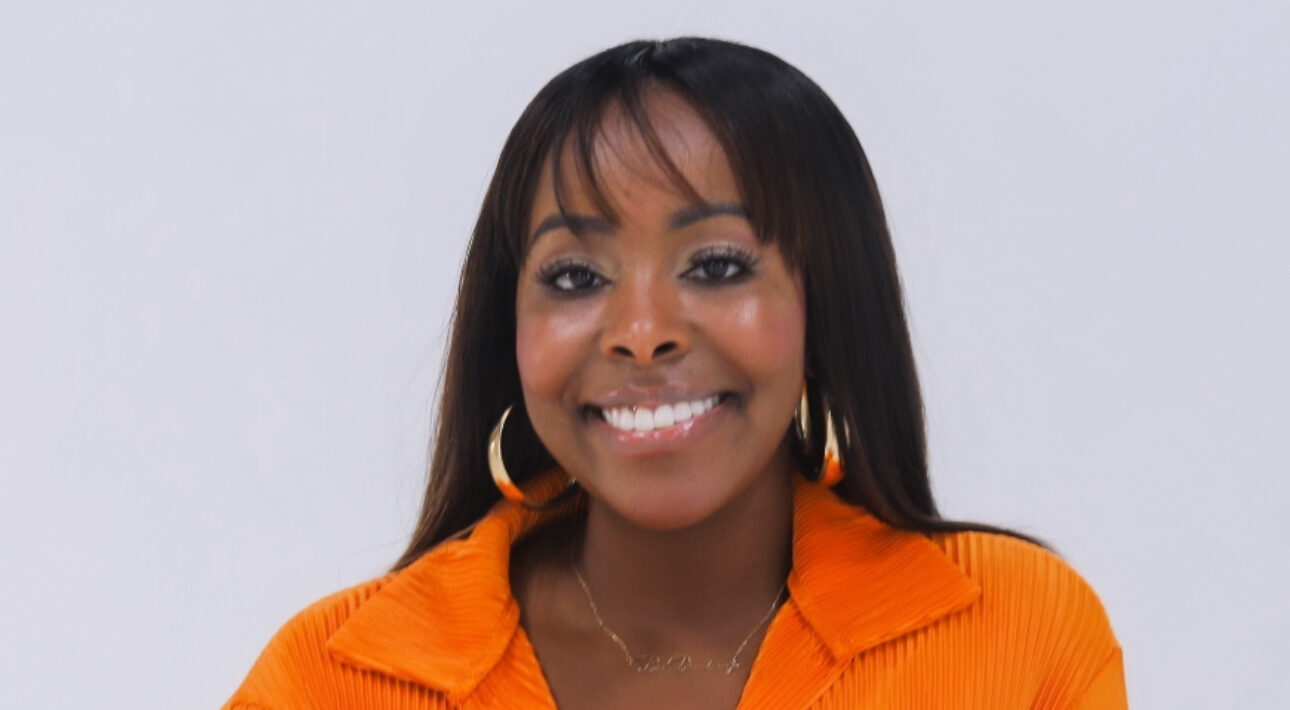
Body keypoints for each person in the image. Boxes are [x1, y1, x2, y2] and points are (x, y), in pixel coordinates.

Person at [223, 37, 1126, 709]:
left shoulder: (1018, 634)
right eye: (575, 277)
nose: (643, 333)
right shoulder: (329, 677)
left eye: (718, 266)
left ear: (827, 302)